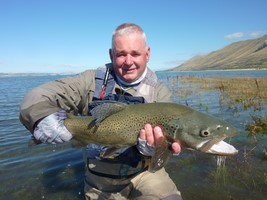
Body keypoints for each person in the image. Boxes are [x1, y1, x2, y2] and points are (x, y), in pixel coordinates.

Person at [20, 23, 183, 200]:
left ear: (147, 54)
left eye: (135, 53)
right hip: (100, 180)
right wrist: (41, 116)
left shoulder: (160, 92)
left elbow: (168, 144)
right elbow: (38, 96)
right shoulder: (89, 81)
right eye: (121, 54)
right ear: (111, 55)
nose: (129, 62)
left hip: (145, 173)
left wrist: (155, 149)